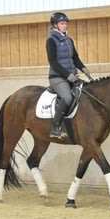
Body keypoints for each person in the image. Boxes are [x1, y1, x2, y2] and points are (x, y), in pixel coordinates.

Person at [46, 11, 92, 139]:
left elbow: (75, 58)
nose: (65, 25)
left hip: (71, 75)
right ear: (55, 25)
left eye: (65, 23)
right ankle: (55, 127)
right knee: (67, 97)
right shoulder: (51, 41)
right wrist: (67, 75)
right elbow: (53, 62)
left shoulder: (69, 40)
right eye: (62, 23)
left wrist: (83, 68)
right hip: (57, 78)